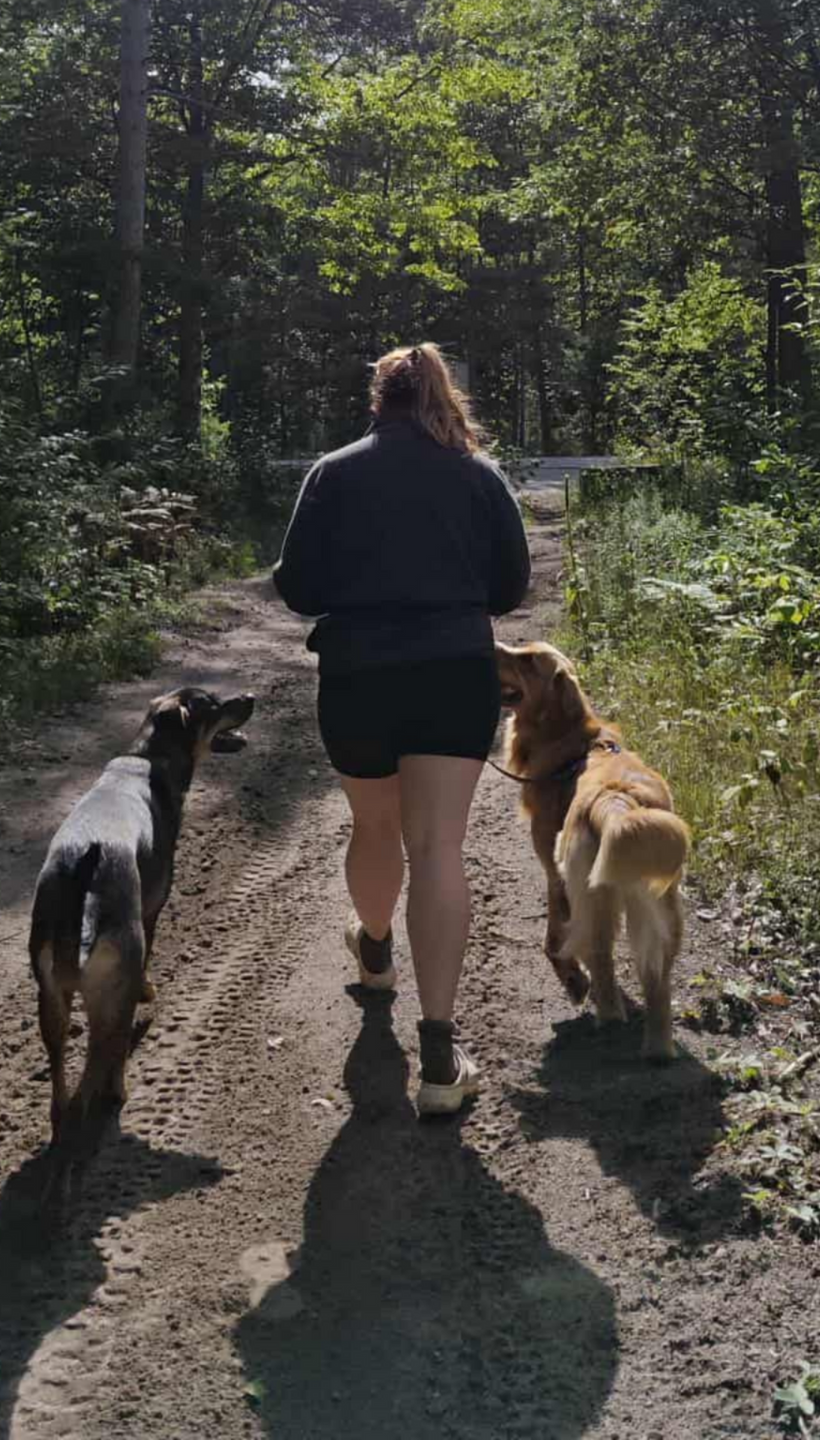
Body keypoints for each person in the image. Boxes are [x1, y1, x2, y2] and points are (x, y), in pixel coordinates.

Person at [273, 344, 531, 1116]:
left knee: (375, 826)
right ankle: (441, 1058)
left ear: (377, 399)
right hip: (454, 671)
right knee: (438, 847)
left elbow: (297, 587)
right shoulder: (479, 475)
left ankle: (375, 950)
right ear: (442, 395)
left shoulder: (334, 471)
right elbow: (511, 586)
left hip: (357, 675)